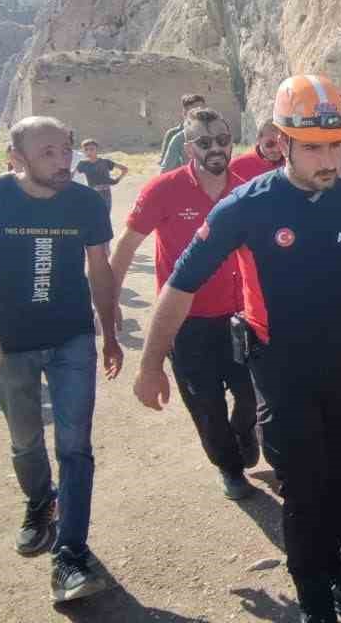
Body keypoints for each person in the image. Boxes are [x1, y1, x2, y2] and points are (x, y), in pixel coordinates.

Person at [134, 75, 341, 623]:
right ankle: (314, 599)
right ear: (281, 141)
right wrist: (150, 363)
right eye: (313, 147)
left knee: (340, 477)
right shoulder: (245, 206)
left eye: (337, 144)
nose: (329, 158)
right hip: (280, 370)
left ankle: (330, 561)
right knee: (303, 487)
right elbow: (179, 287)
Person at [0, 116, 124, 603]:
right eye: (48, 153)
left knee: (75, 446)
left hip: (72, 339)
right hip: (9, 344)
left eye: (65, 150)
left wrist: (109, 333)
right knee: (25, 442)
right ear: (15, 159)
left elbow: (100, 270)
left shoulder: (84, 202)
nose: (62, 160)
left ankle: (70, 554)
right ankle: (40, 502)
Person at [110, 108, 259, 500]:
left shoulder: (247, 190)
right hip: (186, 323)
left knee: (250, 396)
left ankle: (244, 432)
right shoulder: (163, 190)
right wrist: (108, 304)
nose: (216, 149)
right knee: (206, 406)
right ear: (188, 146)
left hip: (240, 319)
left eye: (223, 140)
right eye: (205, 142)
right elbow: (124, 249)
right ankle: (229, 469)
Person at [75, 139, 129, 213]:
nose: (89, 152)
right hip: (92, 195)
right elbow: (70, 175)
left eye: (92, 149)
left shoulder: (105, 162)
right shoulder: (82, 164)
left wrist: (117, 180)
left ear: (97, 149)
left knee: (105, 217)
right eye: (86, 149)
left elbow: (124, 169)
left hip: (106, 195)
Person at [159, 94, 206, 173]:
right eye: (195, 112)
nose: (200, 115)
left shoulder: (213, 134)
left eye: (203, 111)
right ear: (184, 113)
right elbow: (167, 168)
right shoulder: (175, 136)